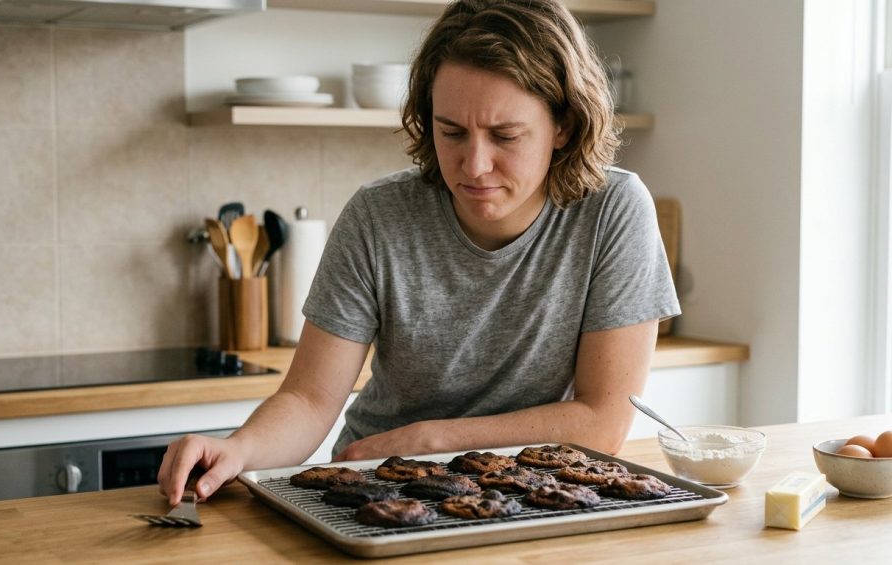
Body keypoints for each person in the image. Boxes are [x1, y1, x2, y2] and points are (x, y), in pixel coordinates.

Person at [159, 0, 679, 506]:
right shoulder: (378, 215)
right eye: (451, 131)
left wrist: (432, 439)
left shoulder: (613, 210)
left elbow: (602, 421)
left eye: (505, 135)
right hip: (378, 489)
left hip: (536, 493)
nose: (474, 165)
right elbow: (310, 399)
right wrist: (237, 448)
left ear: (562, 126)